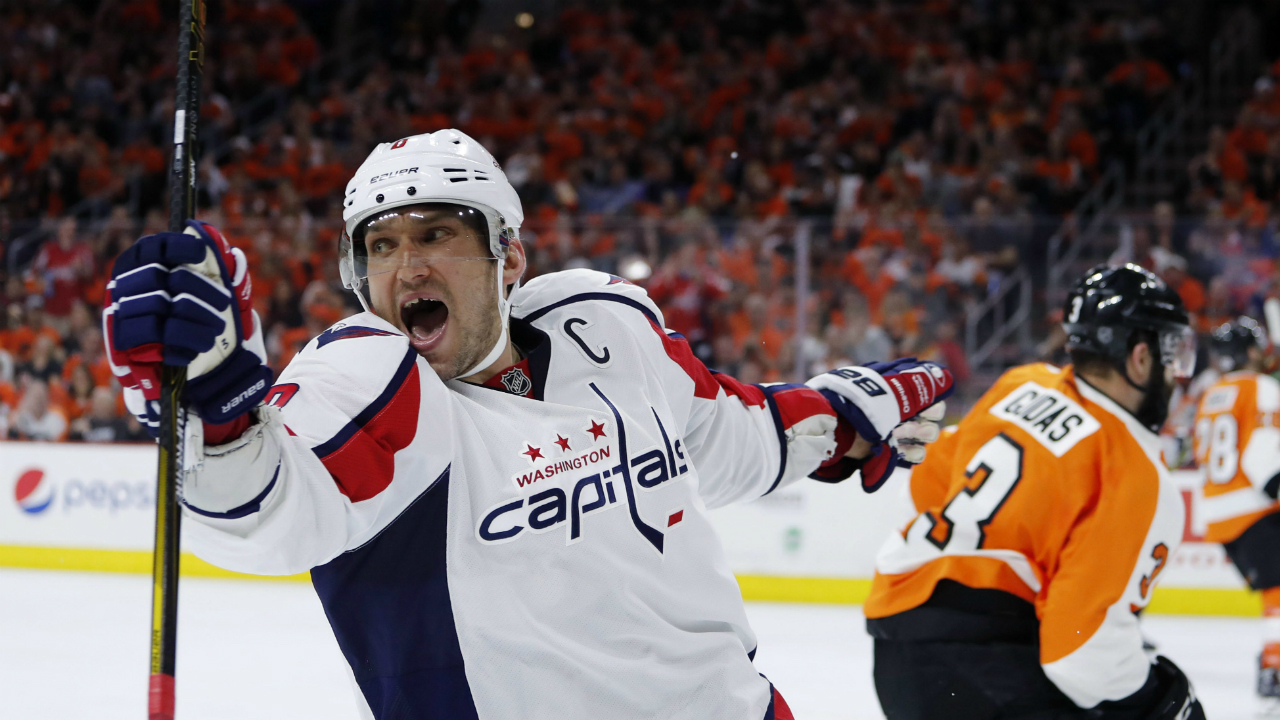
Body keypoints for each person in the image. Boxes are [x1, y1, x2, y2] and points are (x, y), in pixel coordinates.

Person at [102, 129, 952, 720]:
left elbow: (726, 435)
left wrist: (847, 419)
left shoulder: (605, 322)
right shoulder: (369, 378)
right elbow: (269, 507)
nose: (408, 266)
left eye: (436, 234)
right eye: (382, 247)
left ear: (508, 255)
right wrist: (214, 417)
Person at [863, 264, 1205, 720]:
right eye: (1171, 354)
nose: (1175, 375)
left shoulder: (1020, 382)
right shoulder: (1135, 469)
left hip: (896, 632)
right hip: (984, 656)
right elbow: (1078, 652)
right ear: (1141, 357)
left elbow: (928, 487)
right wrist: (1159, 699)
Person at [1194, 317, 1280, 711]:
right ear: (1249, 352)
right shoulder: (1261, 386)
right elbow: (1262, 456)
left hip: (1217, 515)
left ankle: (1273, 667)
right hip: (1255, 508)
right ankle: (1274, 670)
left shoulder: (1210, 394)